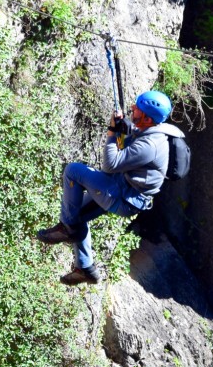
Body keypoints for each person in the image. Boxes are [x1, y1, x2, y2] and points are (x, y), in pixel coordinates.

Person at [37, 90, 177, 285]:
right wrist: (123, 131)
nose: (132, 108)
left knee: (73, 171)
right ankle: (85, 268)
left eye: (137, 108)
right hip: (123, 190)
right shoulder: (150, 131)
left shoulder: (150, 145)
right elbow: (126, 150)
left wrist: (112, 132)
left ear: (146, 117)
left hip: (122, 197)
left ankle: (67, 228)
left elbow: (111, 164)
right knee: (77, 214)